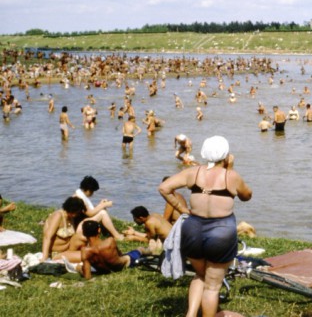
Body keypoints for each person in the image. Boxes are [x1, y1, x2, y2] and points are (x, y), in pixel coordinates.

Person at [159, 136, 252, 317]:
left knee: (200, 275)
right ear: (226, 155)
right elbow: (247, 195)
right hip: (220, 230)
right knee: (212, 286)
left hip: (193, 228)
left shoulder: (193, 172)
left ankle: (191, 314)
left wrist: (182, 208)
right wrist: (230, 169)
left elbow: (164, 188)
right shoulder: (230, 176)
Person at [76, 221, 146, 279]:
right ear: (99, 230)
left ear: (84, 233)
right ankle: (151, 248)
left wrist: (80, 270)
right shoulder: (110, 241)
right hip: (125, 264)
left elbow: (87, 277)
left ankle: (151, 248)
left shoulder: (85, 251)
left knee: (79, 267)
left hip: (105, 271)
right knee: (140, 249)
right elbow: (120, 255)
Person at [73, 176, 124, 241]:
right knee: (103, 213)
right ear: (89, 190)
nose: (92, 194)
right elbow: (90, 213)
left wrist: (101, 205)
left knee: (102, 210)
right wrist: (103, 205)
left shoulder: (79, 195)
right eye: (93, 191)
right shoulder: (79, 198)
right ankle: (117, 236)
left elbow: (88, 211)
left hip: (81, 223)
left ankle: (107, 231)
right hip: (79, 227)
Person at [41, 197, 87, 261]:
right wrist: (45, 257)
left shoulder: (71, 217)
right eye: (78, 212)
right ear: (72, 210)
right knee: (85, 256)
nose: (78, 214)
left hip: (68, 249)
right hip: (57, 254)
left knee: (82, 237)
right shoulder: (58, 216)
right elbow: (47, 237)